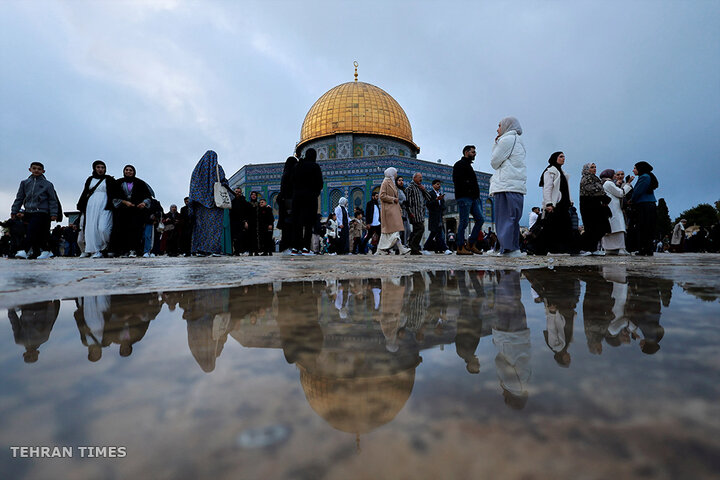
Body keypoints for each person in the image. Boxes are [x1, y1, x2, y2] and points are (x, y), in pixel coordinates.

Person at [490, 116, 527, 257]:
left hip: (505, 184)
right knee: (513, 218)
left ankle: (507, 249)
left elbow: (494, 162)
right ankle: (514, 248)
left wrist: (496, 144)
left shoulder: (506, 140)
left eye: (499, 125)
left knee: (504, 218)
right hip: (516, 185)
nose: (497, 129)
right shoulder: (519, 141)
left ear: (507, 126)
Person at [188, 150, 234, 256]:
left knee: (201, 229)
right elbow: (223, 182)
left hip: (200, 204)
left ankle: (201, 249)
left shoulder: (197, 170)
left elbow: (193, 187)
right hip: (215, 204)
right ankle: (214, 249)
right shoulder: (217, 168)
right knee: (214, 230)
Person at [11, 162, 60, 259]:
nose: (36, 170)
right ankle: (46, 250)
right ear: (30, 169)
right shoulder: (24, 183)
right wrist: (14, 210)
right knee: (40, 234)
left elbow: (52, 199)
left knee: (31, 231)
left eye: (39, 169)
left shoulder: (48, 184)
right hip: (28, 211)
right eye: (34, 168)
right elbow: (19, 198)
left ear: (43, 171)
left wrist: (54, 213)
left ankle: (23, 250)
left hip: (42, 212)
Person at [110, 165, 152, 257]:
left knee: (135, 231)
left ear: (134, 172)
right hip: (122, 211)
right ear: (124, 171)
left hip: (136, 211)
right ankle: (123, 251)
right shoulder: (118, 182)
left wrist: (144, 203)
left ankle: (134, 250)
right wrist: (124, 202)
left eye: (131, 170)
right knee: (122, 231)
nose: (128, 172)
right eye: (126, 170)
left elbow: (147, 197)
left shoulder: (140, 183)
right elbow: (113, 197)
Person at [77, 160, 114, 258]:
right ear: (94, 168)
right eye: (98, 167)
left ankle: (106, 246)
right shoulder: (90, 179)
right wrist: (81, 204)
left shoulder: (109, 179)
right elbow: (85, 192)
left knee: (103, 228)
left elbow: (115, 193)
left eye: (102, 167)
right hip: (91, 206)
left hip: (105, 205)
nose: (101, 169)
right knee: (91, 228)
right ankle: (96, 250)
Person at [539, 152, 574, 254]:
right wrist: (548, 203)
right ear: (555, 158)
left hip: (563, 204)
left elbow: (565, 189)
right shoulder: (550, 171)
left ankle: (564, 249)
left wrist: (570, 200)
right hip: (555, 204)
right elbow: (547, 188)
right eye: (561, 156)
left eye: (564, 157)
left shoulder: (562, 173)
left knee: (565, 227)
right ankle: (551, 249)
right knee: (553, 228)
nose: (563, 158)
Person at [291, 148, 323, 255]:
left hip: (297, 198)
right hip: (310, 198)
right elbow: (320, 184)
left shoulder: (297, 166)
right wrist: (315, 193)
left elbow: (292, 181)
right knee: (309, 224)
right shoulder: (315, 167)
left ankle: (296, 248)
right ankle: (305, 248)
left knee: (297, 224)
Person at [453, 145, 483, 255]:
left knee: (480, 219)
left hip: (473, 198)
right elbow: (458, 181)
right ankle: (460, 247)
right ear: (466, 152)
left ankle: (470, 244)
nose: (475, 154)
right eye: (473, 152)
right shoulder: (459, 165)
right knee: (464, 222)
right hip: (465, 197)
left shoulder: (468, 166)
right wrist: (469, 190)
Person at [578, 163, 611, 255]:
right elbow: (593, 190)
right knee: (591, 228)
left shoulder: (595, 178)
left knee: (599, 228)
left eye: (595, 167)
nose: (594, 169)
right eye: (592, 167)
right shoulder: (586, 179)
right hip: (588, 207)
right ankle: (585, 248)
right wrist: (603, 196)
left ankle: (593, 248)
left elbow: (600, 191)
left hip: (596, 206)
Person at [376, 167, 411, 255]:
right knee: (394, 230)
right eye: (395, 173)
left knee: (388, 232)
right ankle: (401, 248)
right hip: (388, 210)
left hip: (393, 210)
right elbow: (382, 196)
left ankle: (380, 250)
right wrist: (393, 199)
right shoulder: (385, 182)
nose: (396, 174)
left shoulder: (392, 182)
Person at [600, 168, 633, 255]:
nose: (615, 176)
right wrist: (628, 184)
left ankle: (609, 248)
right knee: (619, 227)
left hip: (610, 208)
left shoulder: (603, 183)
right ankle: (621, 248)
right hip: (614, 209)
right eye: (614, 174)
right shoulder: (608, 183)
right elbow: (620, 193)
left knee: (611, 228)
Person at [628, 161, 659, 256]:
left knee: (643, 227)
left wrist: (631, 200)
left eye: (635, 168)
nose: (633, 170)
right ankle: (647, 249)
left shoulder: (644, 177)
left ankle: (644, 249)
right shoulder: (647, 176)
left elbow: (638, 191)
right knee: (647, 228)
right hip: (648, 204)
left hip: (644, 205)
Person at [405, 172, 433, 255]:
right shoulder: (410, 188)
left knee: (416, 230)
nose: (421, 179)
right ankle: (414, 248)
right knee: (420, 229)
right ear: (414, 178)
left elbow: (429, 198)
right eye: (419, 177)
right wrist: (410, 212)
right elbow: (408, 202)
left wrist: (423, 189)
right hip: (414, 213)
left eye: (421, 177)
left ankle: (411, 246)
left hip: (420, 213)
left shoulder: (420, 188)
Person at [424, 179, 452, 254]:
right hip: (433, 216)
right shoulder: (430, 194)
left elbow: (442, 205)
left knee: (438, 232)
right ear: (433, 185)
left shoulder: (440, 194)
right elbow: (428, 204)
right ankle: (444, 249)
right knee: (434, 232)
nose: (439, 186)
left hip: (439, 216)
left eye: (439, 184)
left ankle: (444, 248)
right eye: (437, 184)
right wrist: (436, 199)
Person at [277, 156, 297, 252]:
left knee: (287, 228)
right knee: (290, 227)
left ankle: (286, 247)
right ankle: (289, 246)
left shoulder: (285, 175)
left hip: (285, 205)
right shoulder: (291, 176)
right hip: (290, 204)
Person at [230, 188, 249, 255]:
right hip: (233, 221)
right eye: (236, 192)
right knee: (233, 237)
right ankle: (233, 250)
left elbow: (247, 212)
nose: (237, 193)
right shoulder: (231, 200)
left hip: (240, 222)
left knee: (239, 237)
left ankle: (238, 251)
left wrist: (245, 221)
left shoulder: (243, 202)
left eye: (239, 192)